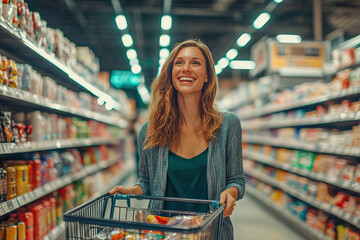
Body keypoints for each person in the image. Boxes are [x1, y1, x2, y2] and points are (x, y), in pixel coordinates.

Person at [110, 39, 245, 239]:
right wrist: (134, 190)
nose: (186, 69)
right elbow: (147, 182)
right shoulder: (150, 131)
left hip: (211, 233)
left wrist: (230, 193)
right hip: (162, 233)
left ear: (207, 75)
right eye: (179, 63)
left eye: (196, 63)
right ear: (171, 73)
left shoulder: (227, 125)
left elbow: (236, 180)